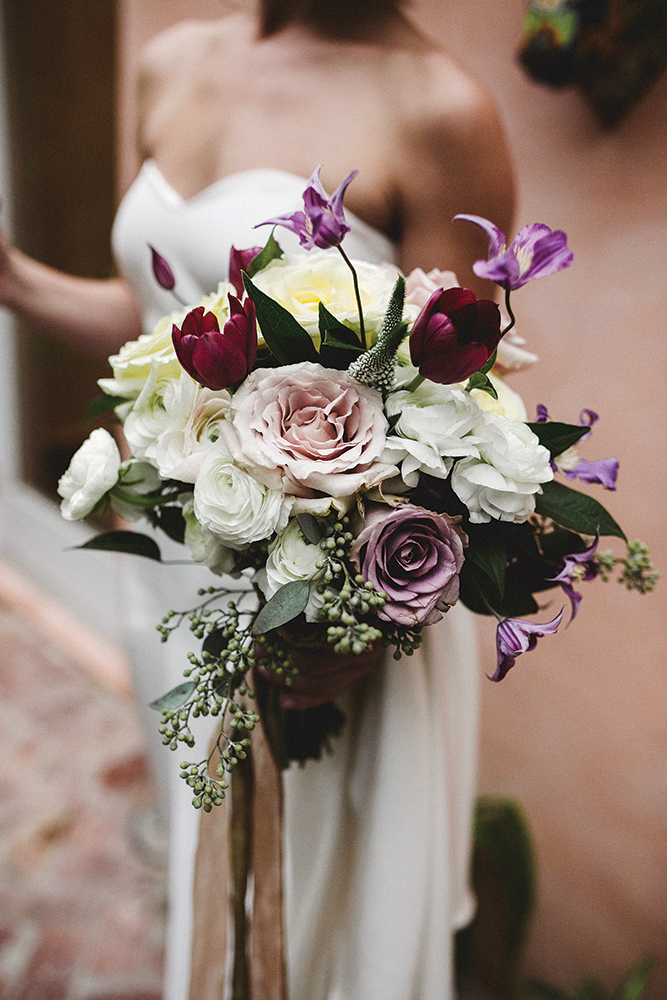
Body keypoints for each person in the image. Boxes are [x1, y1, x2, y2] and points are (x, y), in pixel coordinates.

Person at [0, 1, 516, 997]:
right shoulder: (170, 63)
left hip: (325, 607)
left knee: (307, 919)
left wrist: (361, 625)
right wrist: (15, 280)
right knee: (208, 868)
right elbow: (160, 320)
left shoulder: (438, 109)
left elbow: (469, 415)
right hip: (175, 570)